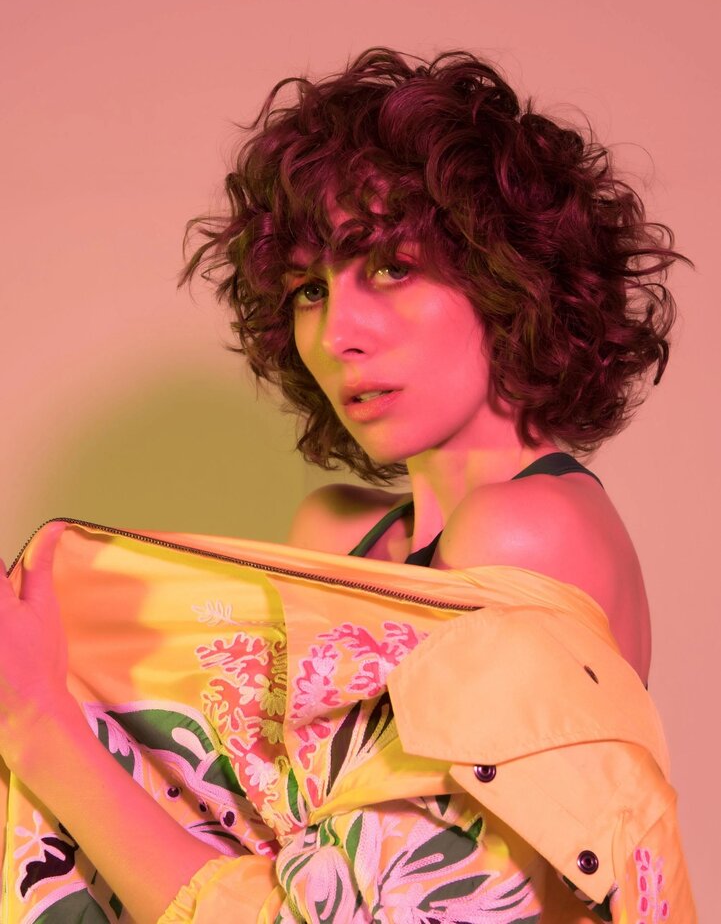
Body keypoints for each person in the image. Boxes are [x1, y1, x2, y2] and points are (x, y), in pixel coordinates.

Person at [0, 47, 694, 922]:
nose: (337, 335)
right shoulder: (339, 534)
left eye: (392, 267)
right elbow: (268, 850)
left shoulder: (528, 529)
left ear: (508, 280)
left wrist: (37, 724)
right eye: (307, 290)